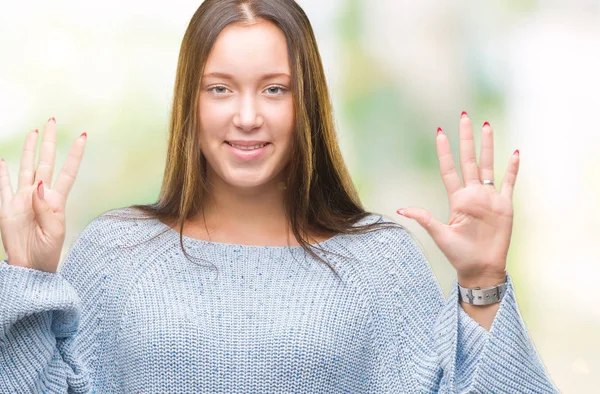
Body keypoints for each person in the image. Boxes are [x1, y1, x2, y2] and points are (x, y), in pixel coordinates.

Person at [0, 0, 558, 392]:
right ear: (189, 105)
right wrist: (27, 276)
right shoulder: (117, 254)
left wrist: (483, 284)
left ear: (306, 103)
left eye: (274, 89)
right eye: (220, 89)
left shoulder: (378, 264)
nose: (247, 116)